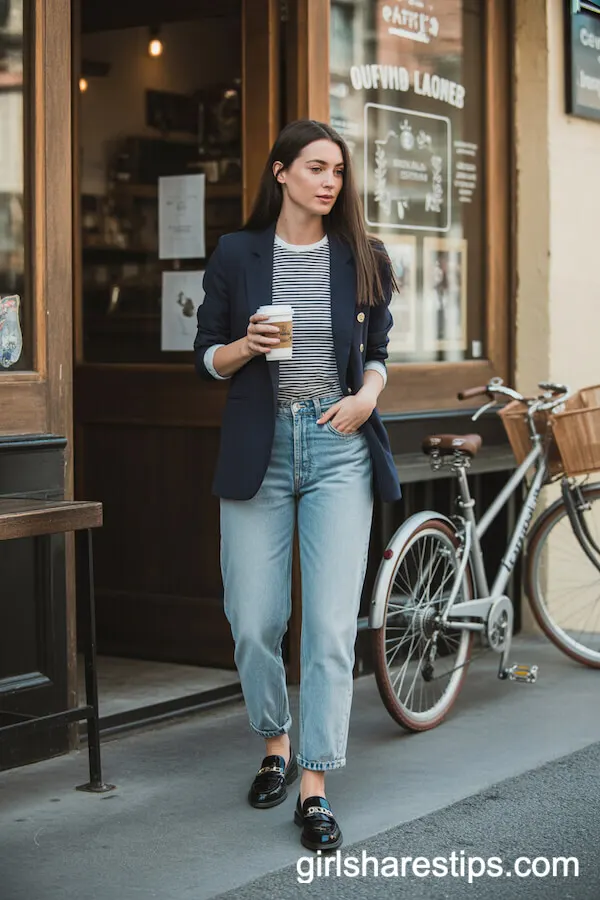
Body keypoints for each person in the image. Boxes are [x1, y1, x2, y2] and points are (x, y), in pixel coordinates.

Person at [193, 119, 401, 852]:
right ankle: (274, 740)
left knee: (329, 630)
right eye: (315, 167)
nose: (329, 181)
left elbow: (376, 351)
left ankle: (314, 783)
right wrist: (243, 347)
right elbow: (205, 359)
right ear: (280, 172)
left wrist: (368, 395)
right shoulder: (236, 254)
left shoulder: (363, 255)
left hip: (339, 444)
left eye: (338, 172)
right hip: (262, 447)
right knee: (253, 619)